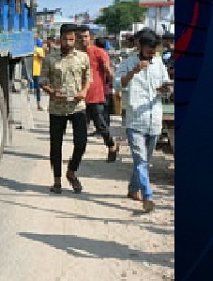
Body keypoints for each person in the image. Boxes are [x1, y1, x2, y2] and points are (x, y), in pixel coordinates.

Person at [114, 28, 172, 212]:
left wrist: (165, 89)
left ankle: (133, 188)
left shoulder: (159, 64)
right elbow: (117, 84)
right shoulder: (128, 63)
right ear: (139, 46)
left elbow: (166, 84)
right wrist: (133, 72)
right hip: (135, 121)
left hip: (154, 119)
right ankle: (148, 195)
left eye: (154, 51)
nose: (152, 53)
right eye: (149, 50)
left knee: (144, 159)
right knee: (140, 160)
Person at [39, 23, 91, 194]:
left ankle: (71, 172)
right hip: (57, 108)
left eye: (71, 39)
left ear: (75, 40)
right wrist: (52, 92)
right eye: (65, 39)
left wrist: (83, 91)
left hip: (77, 106)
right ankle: (57, 181)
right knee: (56, 145)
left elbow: (87, 79)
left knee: (81, 143)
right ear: (60, 39)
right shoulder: (49, 58)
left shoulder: (83, 57)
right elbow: (42, 81)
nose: (68, 43)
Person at [79, 27, 119, 161]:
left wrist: (115, 86)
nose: (83, 39)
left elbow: (108, 70)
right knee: (80, 127)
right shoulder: (77, 54)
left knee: (100, 124)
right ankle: (78, 155)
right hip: (80, 96)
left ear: (91, 38)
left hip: (96, 95)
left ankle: (111, 145)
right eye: (81, 37)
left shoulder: (99, 52)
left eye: (85, 36)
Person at [31, 37, 46, 110]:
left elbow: (41, 57)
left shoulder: (35, 49)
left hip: (33, 71)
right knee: (38, 89)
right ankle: (38, 104)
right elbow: (42, 57)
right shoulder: (40, 49)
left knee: (37, 88)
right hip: (37, 72)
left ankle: (38, 103)